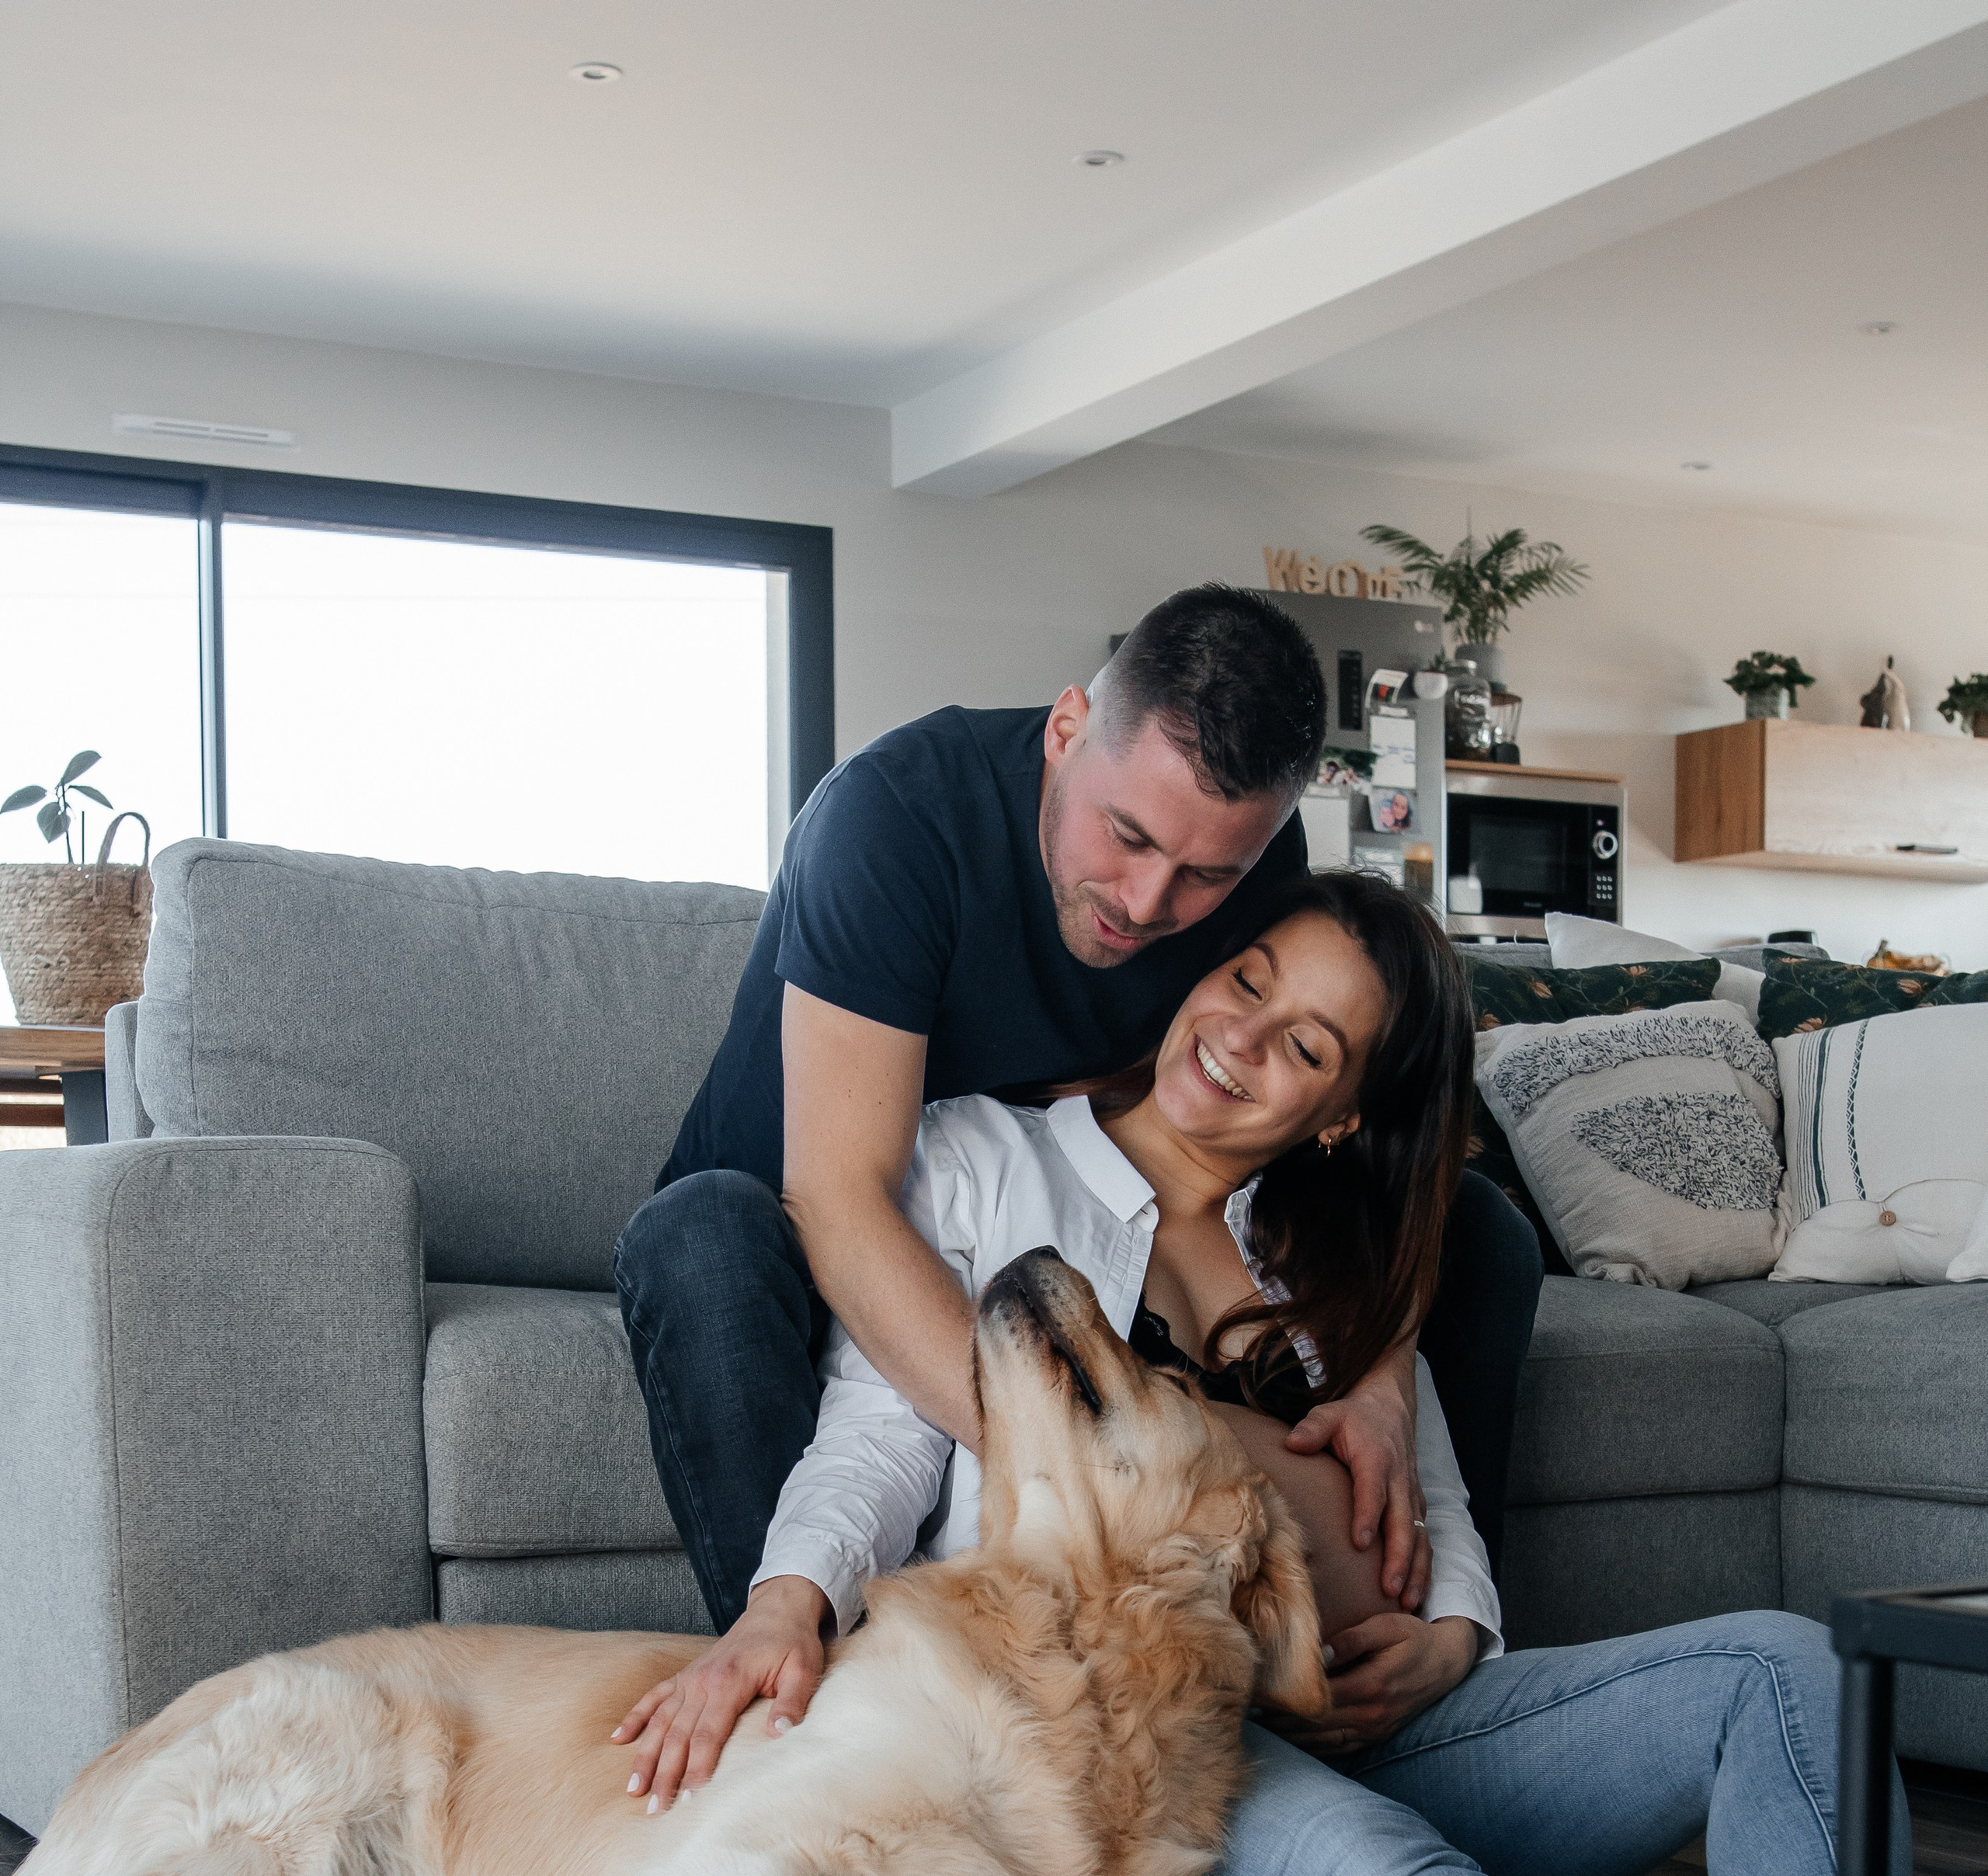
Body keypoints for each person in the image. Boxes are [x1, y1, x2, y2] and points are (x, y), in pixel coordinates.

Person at [612, 868, 1988, 1876]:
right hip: (1120, 1769)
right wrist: (786, 1602)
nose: (1246, 1037)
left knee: (1783, 1659)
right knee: (1363, 1867)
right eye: (1254, 980)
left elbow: (1432, 1505)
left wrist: (1454, 1638)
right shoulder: (983, 1163)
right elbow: (880, 1444)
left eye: (1312, 1048)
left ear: (1339, 1114)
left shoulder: (1334, 1254)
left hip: (1384, 1718)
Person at [616, 583, 1543, 1646]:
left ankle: (1442, 1655)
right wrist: (1087, 1482)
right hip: (799, 1229)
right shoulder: (892, 819)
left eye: (1205, 875)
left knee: (1483, 1232)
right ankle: (807, 1699)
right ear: (1066, 731)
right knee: (697, 1235)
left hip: (998, 1224)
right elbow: (837, 1198)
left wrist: (1384, 1385)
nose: (1148, 904)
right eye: (1128, 836)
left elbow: (1372, 1163)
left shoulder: (1257, 877)